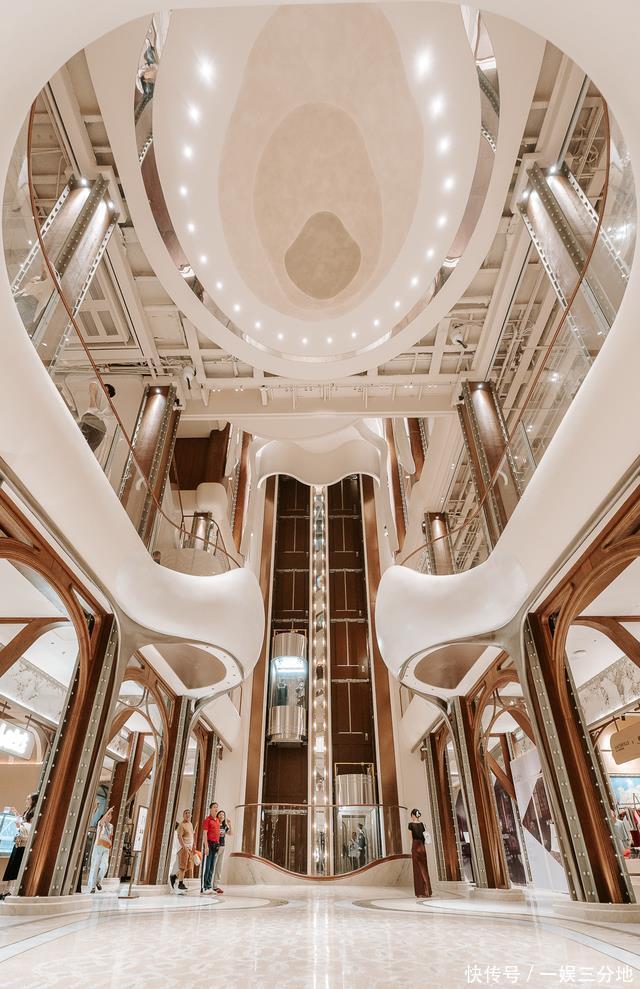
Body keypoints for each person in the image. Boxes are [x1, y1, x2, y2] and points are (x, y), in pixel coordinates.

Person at [1, 792, 38, 891]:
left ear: (33, 801)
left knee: (17, 865)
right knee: (13, 865)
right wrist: (16, 813)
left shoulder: (34, 813)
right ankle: (8, 890)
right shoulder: (27, 812)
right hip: (19, 841)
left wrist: (20, 824)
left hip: (24, 843)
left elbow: (28, 826)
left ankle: (12, 890)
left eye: (28, 799)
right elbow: (22, 822)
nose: (26, 801)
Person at [78, 380, 116, 456]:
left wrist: (93, 404)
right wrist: (93, 404)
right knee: (88, 449)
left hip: (95, 422)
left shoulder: (106, 399)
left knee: (80, 439)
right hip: (100, 426)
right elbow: (93, 385)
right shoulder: (105, 398)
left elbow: (93, 385)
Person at [88, 805, 114, 893]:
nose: (109, 817)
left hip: (106, 848)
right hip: (98, 847)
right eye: (108, 815)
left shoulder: (111, 826)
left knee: (105, 866)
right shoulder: (101, 823)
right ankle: (92, 887)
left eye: (110, 815)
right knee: (95, 867)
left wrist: (110, 849)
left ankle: (98, 881)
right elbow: (102, 821)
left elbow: (110, 838)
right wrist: (108, 811)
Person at [408, 808, 432, 899]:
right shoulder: (422, 824)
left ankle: (420, 892)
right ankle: (427, 891)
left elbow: (411, 838)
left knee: (417, 869)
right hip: (422, 847)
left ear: (413, 815)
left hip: (415, 846)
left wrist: (411, 848)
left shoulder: (411, 825)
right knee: (424, 868)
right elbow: (424, 837)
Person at [171, 809, 194, 894]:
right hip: (183, 848)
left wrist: (193, 846)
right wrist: (184, 847)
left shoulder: (190, 824)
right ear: (183, 815)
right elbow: (179, 837)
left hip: (189, 848)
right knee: (182, 867)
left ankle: (174, 877)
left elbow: (191, 835)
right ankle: (180, 883)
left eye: (189, 813)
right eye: (186, 813)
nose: (187, 814)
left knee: (188, 866)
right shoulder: (181, 825)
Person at [200, 802, 220, 894]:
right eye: (214, 807)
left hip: (216, 846)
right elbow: (205, 834)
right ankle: (204, 887)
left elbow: (217, 834)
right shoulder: (207, 820)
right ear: (210, 809)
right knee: (207, 866)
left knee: (212, 867)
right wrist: (206, 846)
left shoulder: (217, 820)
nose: (216, 809)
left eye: (217, 807)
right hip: (209, 845)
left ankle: (209, 886)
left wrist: (218, 845)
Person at [213, 810, 231, 890]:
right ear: (217, 816)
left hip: (222, 847)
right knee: (213, 866)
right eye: (220, 814)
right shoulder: (215, 824)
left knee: (219, 867)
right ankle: (209, 884)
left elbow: (230, 833)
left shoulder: (224, 826)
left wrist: (230, 824)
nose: (221, 816)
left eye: (223, 815)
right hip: (216, 847)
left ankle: (215, 885)